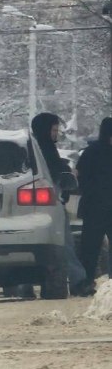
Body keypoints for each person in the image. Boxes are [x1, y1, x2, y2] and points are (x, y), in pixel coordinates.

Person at [30, 112, 94, 297]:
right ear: (45, 130)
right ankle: (78, 280)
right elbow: (55, 170)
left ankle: (24, 285)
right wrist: (68, 172)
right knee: (64, 243)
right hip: (49, 205)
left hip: (27, 210)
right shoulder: (45, 150)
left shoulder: (33, 149)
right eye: (53, 129)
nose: (56, 133)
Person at [76, 116, 112, 285]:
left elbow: (81, 178)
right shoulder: (92, 152)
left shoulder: (90, 152)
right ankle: (87, 281)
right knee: (90, 248)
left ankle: (90, 281)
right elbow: (81, 178)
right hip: (95, 207)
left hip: (96, 207)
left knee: (90, 247)